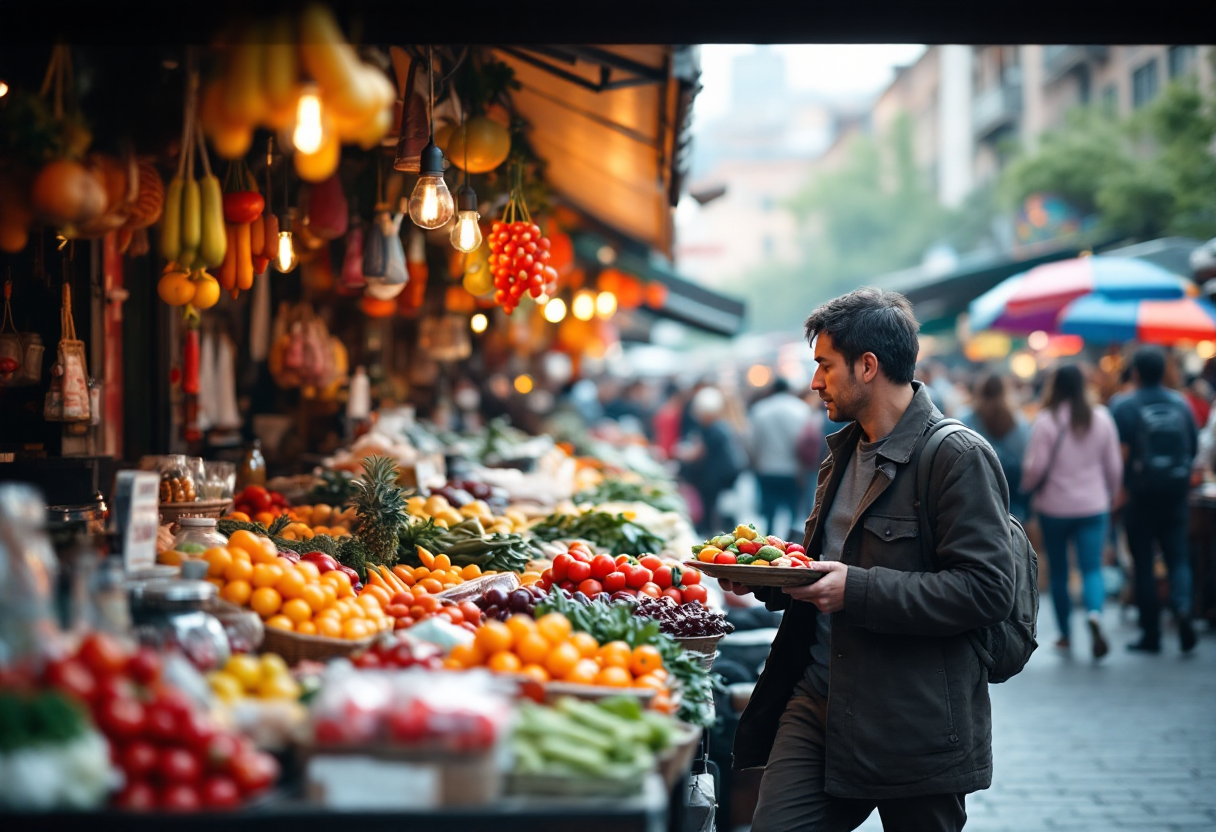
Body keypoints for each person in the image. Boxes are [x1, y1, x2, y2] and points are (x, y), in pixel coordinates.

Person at [725, 288, 1015, 832]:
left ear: (867, 366)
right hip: (819, 700)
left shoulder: (956, 456)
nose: (815, 382)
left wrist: (854, 590)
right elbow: (826, 565)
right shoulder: (842, 450)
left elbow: (987, 590)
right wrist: (765, 578)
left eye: (824, 366)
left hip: (916, 722)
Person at [1021, 364, 1123, 658]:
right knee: (1092, 567)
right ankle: (1094, 614)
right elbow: (1114, 466)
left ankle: (1065, 634)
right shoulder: (1101, 417)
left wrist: (1028, 486)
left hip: (1054, 506)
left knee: (1060, 572)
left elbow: (1035, 468)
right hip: (1094, 505)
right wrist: (1113, 494)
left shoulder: (1046, 420)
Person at [1110, 346, 1199, 654]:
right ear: (1164, 371)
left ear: (1134, 372)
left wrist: (1117, 494)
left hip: (1140, 495)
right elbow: (1194, 448)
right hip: (1176, 493)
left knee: (1144, 563)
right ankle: (1183, 606)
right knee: (1177, 556)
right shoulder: (1182, 403)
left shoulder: (1123, 406)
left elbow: (1117, 457)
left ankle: (1151, 634)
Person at [960, 373, 1032, 523]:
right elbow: (1024, 455)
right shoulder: (1017, 420)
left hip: (978, 488)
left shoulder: (966, 418)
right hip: (1012, 491)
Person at [746, 378, 814, 539]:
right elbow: (807, 442)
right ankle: (789, 542)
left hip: (766, 468)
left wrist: (754, 462)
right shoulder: (801, 409)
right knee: (792, 510)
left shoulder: (759, 409)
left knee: (769, 511)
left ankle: (767, 542)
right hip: (793, 469)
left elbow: (752, 442)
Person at [678, 386, 746, 536]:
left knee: (714, 510)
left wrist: (682, 453)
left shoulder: (713, 429)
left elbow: (698, 453)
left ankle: (714, 535)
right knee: (717, 509)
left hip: (714, 478)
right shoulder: (720, 426)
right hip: (719, 476)